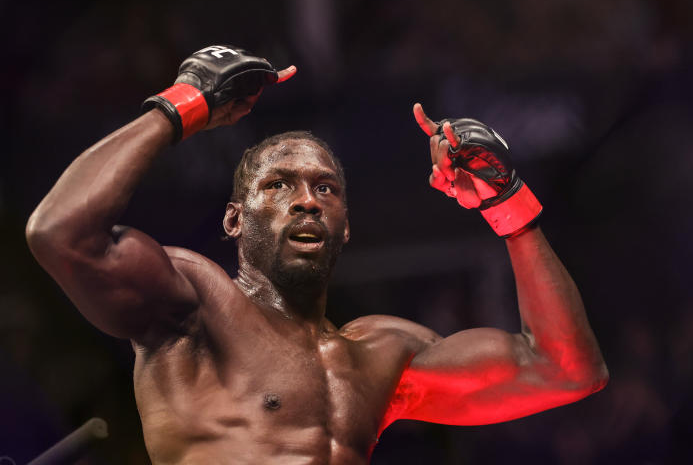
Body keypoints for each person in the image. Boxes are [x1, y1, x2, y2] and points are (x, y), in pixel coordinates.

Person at [25, 45, 608, 464]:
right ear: (235, 219)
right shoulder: (195, 305)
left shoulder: (381, 355)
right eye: (279, 185)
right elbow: (60, 234)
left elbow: (566, 369)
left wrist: (508, 206)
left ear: (345, 227)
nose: (307, 201)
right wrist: (181, 107)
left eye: (325, 188)